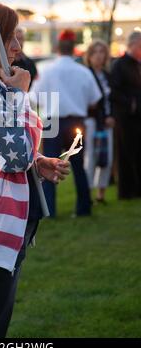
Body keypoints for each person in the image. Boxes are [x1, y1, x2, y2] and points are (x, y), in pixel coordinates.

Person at [0, 0, 70, 338]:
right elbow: (13, 155)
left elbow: (7, 152)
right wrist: (19, 94)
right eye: (10, 38)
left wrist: (38, 162)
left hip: (0, 222)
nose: (17, 47)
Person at [31, 29, 101, 217]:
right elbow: (95, 99)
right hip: (76, 121)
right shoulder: (83, 71)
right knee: (79, 167)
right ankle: (84, 208)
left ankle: (49, 211)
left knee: (47, 166)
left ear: (57, 48)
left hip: (51, 121)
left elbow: (34, 98)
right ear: (73, 49)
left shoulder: (47, 71)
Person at [110, 31, 141, 199]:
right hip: (125, 118)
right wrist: (132, 104)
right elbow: (114, 91)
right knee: (126, 154)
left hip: (138, 117)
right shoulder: (119, 65)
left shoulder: (138, 64)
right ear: (134, 44)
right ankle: (126, 191)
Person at [84, 40, 115, 204]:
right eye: (95, 52)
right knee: (91, 158)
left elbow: (113, 99)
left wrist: (112, 116)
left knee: (106, 157)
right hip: (91, 121)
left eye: (102, 52)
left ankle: (101, 194)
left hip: (107, 122)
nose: (99, 55)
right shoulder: (85, 74)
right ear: (89, 56)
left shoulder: (108, 75)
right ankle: (87, 194)